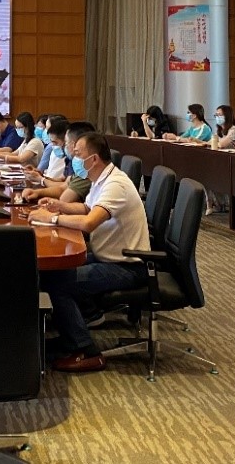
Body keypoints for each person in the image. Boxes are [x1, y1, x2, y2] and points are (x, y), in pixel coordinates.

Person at [32, 132, 150, 373]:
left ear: (94, 159)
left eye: (78, 154)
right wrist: (59, 206)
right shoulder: (102, 179)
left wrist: (52, 219)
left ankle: (87, 351)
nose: (74, 158)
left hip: (127, 266)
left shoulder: (116, 185)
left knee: (59, 284)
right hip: (109, 255)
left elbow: (88, 223)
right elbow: (87, 208)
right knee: (52, 273)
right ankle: (71, 337)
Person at [21, 122, 94, 203]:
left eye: (66, 142)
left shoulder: (85, 168)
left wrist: (41, 180)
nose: (65, 146)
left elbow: (65, 197)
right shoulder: (77, 164)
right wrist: (37, 191)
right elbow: (63, 186)